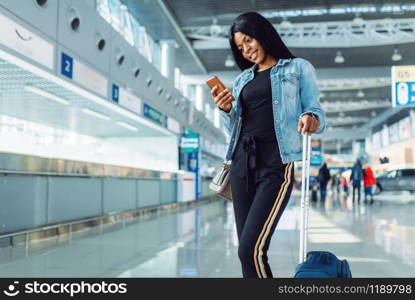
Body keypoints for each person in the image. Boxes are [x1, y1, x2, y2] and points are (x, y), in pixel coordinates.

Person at [210, 12, 326, 278]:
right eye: (240, 47)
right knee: (246, 251)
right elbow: (234, 130)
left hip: (276, 164)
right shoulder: (242, 80)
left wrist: (310, 117)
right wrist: (226, 109)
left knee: (250, 249)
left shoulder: (298, 68)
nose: (246, 50)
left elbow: (315, 110)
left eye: (249, 41)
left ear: (263, 34)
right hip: (241, 166)